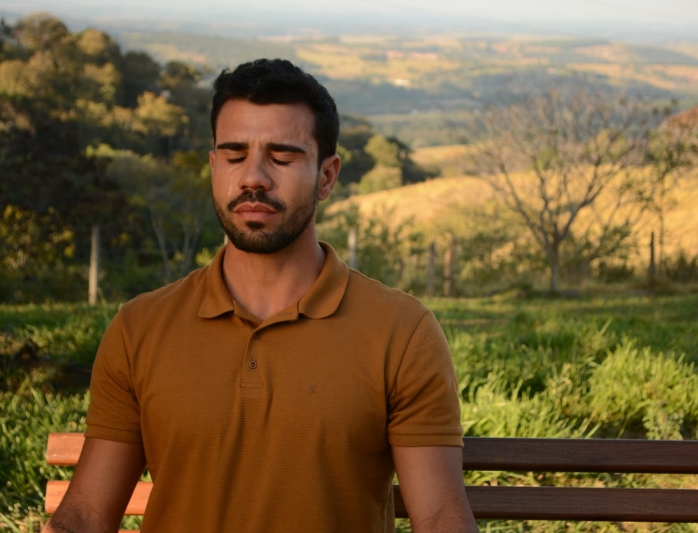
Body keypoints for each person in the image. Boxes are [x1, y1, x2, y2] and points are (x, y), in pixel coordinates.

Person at [44, 59, 477, 533]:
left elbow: (440, 518)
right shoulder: (140, 328)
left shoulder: (402, 333)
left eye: (282, 158)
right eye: (233, 156)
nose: (253, 178)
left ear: (327, 177)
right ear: (214, 167)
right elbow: (87, 514)